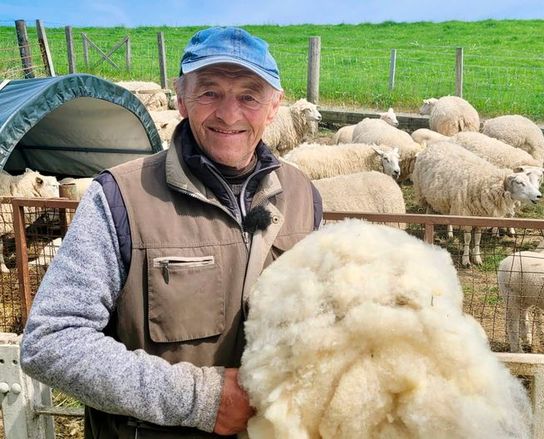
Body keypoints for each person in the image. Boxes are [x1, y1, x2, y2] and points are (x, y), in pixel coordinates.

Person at [20, 26, 322, 438]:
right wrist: (200, 399)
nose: (229, 114)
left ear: (274, 107)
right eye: (209, 92)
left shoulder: (304, 196)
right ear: (181, 98)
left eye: (249, 96)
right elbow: (50, 343)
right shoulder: (120, 198)